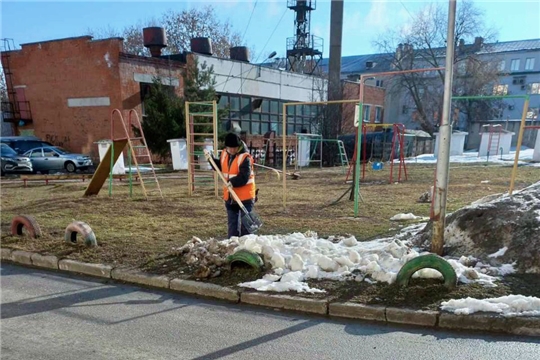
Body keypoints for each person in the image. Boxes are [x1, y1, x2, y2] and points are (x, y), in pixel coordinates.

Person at [209, 132, 258, 238]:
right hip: (230, 197)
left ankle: (246, 248)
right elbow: (222, 167)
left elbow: (244, 177)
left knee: (246, 227)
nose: (231, 150)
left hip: (245, 198)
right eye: (229, 148)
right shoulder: (224, 154)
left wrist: (233, 182)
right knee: (232, 225)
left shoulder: (245, 158)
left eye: (234, 148)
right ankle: (233, 245)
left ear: (238, 146)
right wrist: (212, 161)